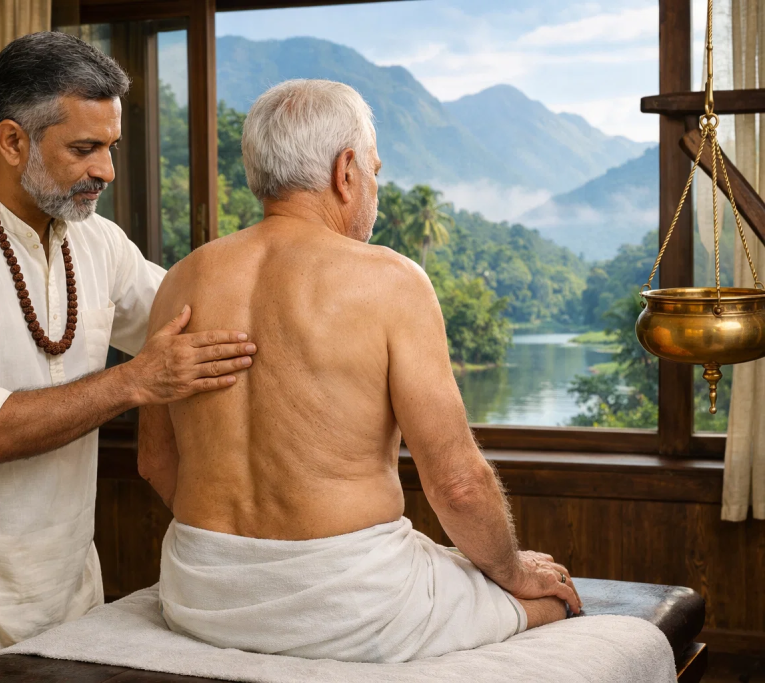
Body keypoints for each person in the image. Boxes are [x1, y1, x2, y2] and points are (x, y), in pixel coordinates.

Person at [0, 32, 256, 682]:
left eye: (111, 148)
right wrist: (137, 381)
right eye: (84, 148)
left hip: (69, 591)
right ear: (13, 141)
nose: (107, 170)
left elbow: (193, 316)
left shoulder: (96, 243)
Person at [138, 79, 582, 663]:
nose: (374, 187)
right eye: (375, 171)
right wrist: (513, 572)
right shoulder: (391, 281)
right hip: (350, 606)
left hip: (199, 591)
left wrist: (245, 560)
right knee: (560, 602)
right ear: (346, 171)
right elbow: (458, 484)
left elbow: (155, 461)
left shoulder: (180, 281)